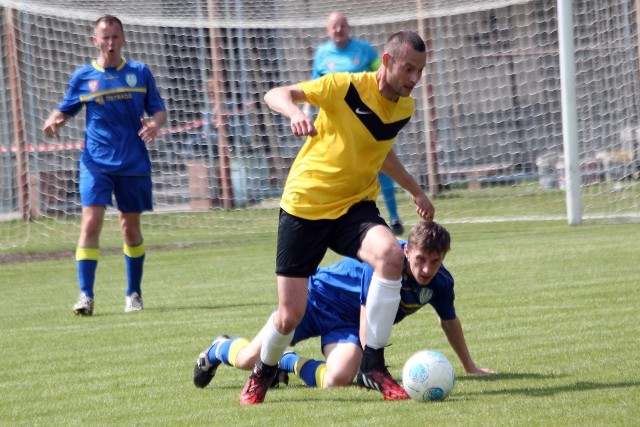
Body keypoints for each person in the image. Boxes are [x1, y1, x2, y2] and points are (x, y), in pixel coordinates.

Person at [234, 30, 435, 405]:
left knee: (391, 255)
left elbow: (381, 151)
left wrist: (415, 190)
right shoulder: (344, 87)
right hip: (306, 205)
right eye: (408, 69)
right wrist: (295, 112)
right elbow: (276, 93)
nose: (414, 79)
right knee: (289, 315)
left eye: (420, 71)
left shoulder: (404, 108)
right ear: (387, 62)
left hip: (353, 207)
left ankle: (374, 365)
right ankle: (263, 371)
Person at [193, 221, 495, 394]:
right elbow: (369, 310)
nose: (427, 268)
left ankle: (287, 363)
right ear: (407, 251)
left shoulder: (440, 284)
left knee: (337, 380)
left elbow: (449, 321)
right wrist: (372, 370)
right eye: (420, 260)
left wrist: (469, 366)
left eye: (435, 261)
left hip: (345, 326)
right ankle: (218, 348)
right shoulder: (384, 260)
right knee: (248, 359)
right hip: (314, 301)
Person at [42, 15, 167, 316]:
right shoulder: (84, 76)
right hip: (95, 161)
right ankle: (85, 296)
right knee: (90, 223)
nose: (110, 43)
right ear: (94, 41)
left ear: (122, 39)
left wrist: (155, 125)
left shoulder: (139, 72)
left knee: (130, 229)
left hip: (133, 161)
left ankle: (133, 293)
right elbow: (65, 108)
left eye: (115, 37)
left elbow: (159, 110)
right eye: (105, 37)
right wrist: (52, 120)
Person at [310, 11, 404, 235]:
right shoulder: (322, 55)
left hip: (367, 123)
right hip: (335, 128)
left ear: (348, 27)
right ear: (327, 30)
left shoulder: (364, 50)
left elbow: (383, 76)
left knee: (382, 165)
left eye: (342, 26)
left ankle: (394, 217)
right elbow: (313, 89)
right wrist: (306, 114)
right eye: (334, 26)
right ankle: (334, 219)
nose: (338, 30)